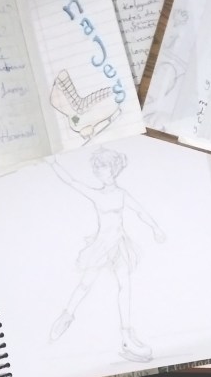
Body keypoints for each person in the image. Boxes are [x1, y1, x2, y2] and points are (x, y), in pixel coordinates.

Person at [47, 148, 166, 362]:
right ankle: (67, 315)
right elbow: (72, 182)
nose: (100, 172)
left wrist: (156, 228)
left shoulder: (121, 194)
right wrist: (54, 163)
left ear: (113, 169)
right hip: (102, 246)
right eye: (98, 169)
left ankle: (126, 335)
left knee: (124, 286)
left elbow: (140, 211)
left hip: (119, 245)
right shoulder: (97, 194)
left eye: (104, 168)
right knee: (86, 284)